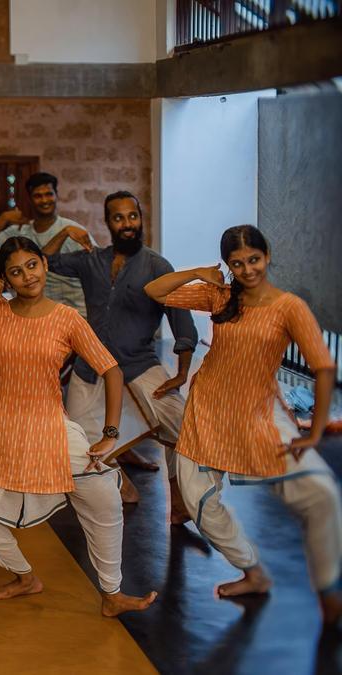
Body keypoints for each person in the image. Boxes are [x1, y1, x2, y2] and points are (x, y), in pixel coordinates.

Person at [0, 236, 157, 617]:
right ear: (6, 279)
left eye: (32, 265)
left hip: (47, 426)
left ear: (45, 265)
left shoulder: (66, 318)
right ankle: (25, 576)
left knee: (104, 498)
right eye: (15, 271)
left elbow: (111, 370)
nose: (26, 276)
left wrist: (109, 434)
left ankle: (111, 594)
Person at [144, 225, 342, 619]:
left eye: (254, 259)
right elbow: (155, 291)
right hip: (208, 412)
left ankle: (329, 587)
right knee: (199, 503)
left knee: (321, 494)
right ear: (229, 265)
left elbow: (323, 367)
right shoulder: (220, 295)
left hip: (258, 414)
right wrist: (202, 272)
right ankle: (253, 571)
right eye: (238, 263)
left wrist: (316, 432)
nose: (248, 269)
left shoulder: (289, 307)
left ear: (267, 255)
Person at [43, 191, 198, 510]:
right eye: (118, 217)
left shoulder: (156, 265)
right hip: (91, 367)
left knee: (185, 427)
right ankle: (121, 485)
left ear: (140, 219)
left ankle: (180, 497)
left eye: (133, 216)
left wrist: (182, 372)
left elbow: (180, 316)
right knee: (75, 439)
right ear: (108, 222)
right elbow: (45, 261)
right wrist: (64, 232)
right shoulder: (91, 260)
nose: (127, 224)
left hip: (139, 364)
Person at [0, 172, 94, 317]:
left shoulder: (73, 231)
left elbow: (98, 268)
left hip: (75, 314)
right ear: (30, 199)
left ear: (56, 196)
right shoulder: (18, 233)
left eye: (49, 194)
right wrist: (3, 219)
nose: (44, 200)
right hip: (34, 317)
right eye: (38, 196)